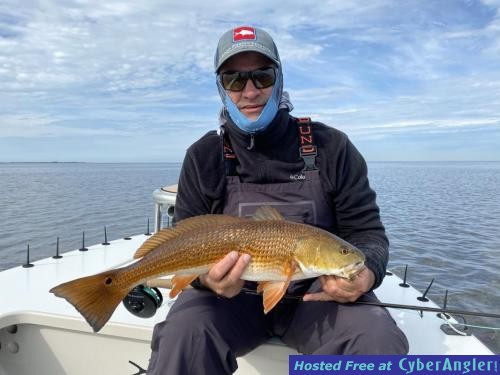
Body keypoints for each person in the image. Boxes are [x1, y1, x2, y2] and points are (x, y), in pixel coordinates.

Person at [147, 26, 409, 374]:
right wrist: (205, 280)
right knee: (184, 334)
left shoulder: (332, 147)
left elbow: (368, 234)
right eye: (234, 80)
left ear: (280, 78)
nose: (251, 91)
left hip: (317, 297)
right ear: (221, 88)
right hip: (231, 300)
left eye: (262, 75)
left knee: (376, 338)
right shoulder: (203, 155)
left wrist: (366, 274)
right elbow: (185, 241)